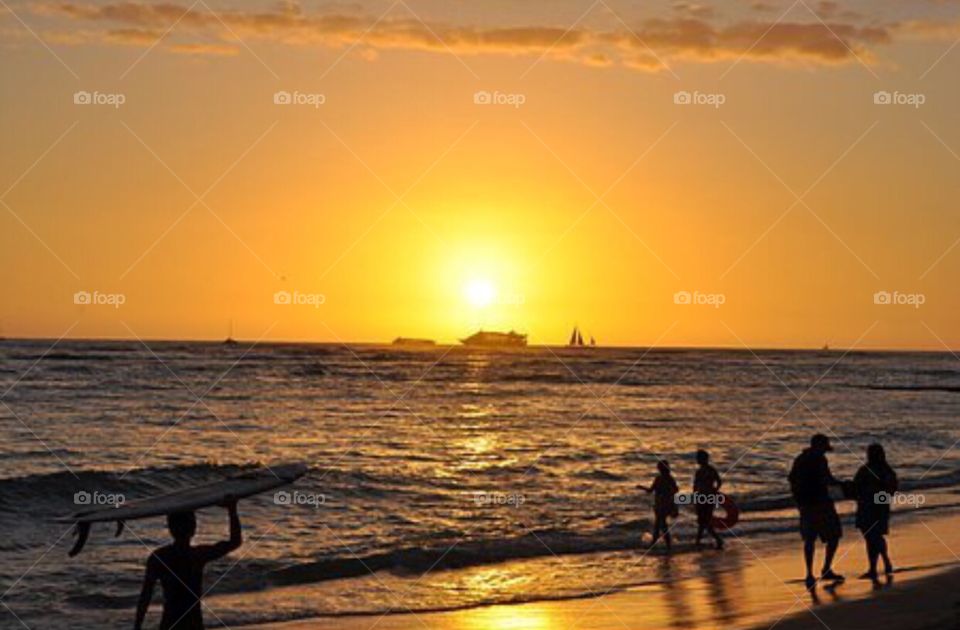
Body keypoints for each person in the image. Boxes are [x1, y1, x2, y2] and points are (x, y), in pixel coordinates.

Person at [134, 500, 242, 630]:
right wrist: (232, 510)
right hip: (193, 624)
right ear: (193, 529)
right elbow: (235, 541)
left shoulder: (159, 557)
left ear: (170, 528)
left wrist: (137, 626)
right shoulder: (198, 555)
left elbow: (145, 597)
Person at [788, 434, 845, 589]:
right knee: (834, 535)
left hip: (805, 505)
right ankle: (826, 569)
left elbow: (791, 479)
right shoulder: (819, 460)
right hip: (821, 503)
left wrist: (798, 500)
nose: (825, 452)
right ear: (819, 446)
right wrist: (843, 485)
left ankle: (809, 574)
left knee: (809, 540)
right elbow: (827, 479)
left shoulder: (800, 459)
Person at [854, 443, 897, 581]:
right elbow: (891, 491)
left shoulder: (867, 469)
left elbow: (857, 488)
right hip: (877, 506)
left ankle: (875, 567)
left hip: (870, 507)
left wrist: (871, 497)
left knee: (871, 538)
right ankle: (884, 562)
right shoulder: (886, 470)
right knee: (875, 537)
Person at [640, 459, 679, 551]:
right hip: (663, 504)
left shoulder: (661, 479)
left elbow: (650, 490)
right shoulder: (669, 478)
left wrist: (642, 488)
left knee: (661, 525)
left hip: (663, 504)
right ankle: (660, 544)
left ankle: (664, 545)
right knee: (659, 525)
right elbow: (676, 490)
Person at [693, 449, 724, 550]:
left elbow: (695, 486)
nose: (696, 459)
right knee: (703, 521)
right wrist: (715, 490)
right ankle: (698, 541)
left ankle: (717, 539)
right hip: (709, 497)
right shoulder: (711, 470)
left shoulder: (700, 472)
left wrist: (694, 497)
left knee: (703, 521)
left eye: (698, 458)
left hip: (703, 497)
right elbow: (719, 481)